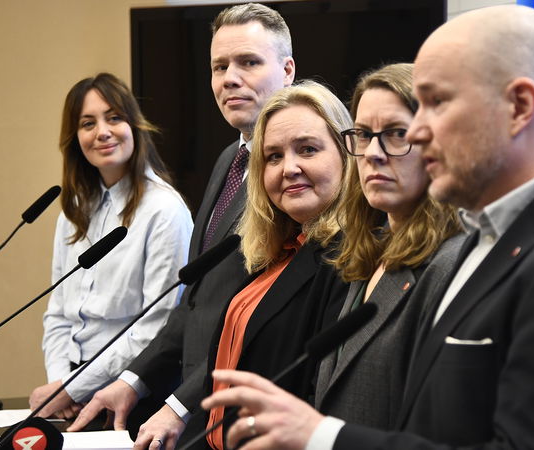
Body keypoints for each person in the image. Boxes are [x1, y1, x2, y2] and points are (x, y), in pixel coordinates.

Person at [200, 5, 534, 450]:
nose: (421, 132)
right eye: (365, 135)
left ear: (520, 105)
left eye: (437, 103)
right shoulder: (493, 231)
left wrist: (326, 437)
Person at [67, 2, 296, 445]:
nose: (230, 78)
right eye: (219, 66)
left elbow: (259, 324)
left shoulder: (294, 177)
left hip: (247, 416)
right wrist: (132, 380)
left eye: (248, 62)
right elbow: (194, 301)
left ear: (287, 70)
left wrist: (178, 404)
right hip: (197, 408)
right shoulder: (230, 160)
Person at [29, 72, 193, 419]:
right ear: (75, 138)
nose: (102, 131)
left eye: (114, 117)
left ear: (134, 125)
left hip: (132, 394)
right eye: (88, 123)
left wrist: (70, 388)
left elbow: (157, 326)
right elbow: (58, 311)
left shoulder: (164, 211)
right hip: (70, 397)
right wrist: (60, 384)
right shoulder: (73, 210)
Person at [198, 80, 350, 450]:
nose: (289, 168)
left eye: (308, 149)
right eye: (274, 157)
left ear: (347, 154)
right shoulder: (276, 252)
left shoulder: (348, 259)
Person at [315, 63, 463, 428]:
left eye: (397, 133)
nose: (373, 153)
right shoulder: (368, 251)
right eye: (363, 135)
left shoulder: (451, 264)